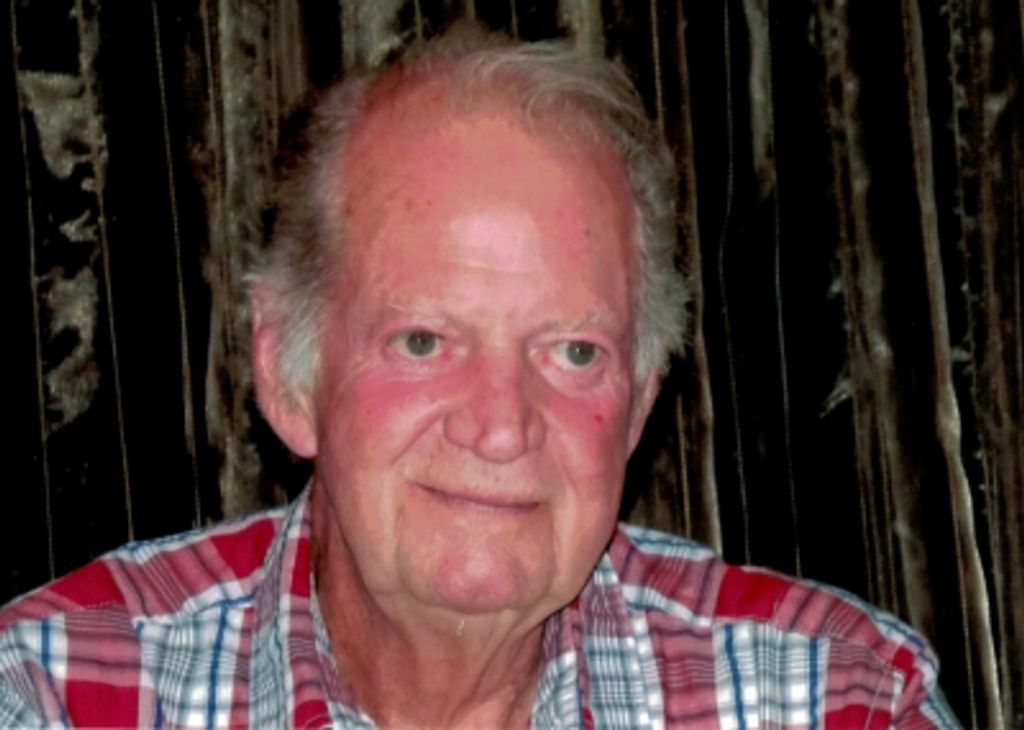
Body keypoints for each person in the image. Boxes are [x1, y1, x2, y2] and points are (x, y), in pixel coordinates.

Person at [0, 23, 959, 729]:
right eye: (423, 341)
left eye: (573, 351)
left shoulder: (841, 700)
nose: (501, 427)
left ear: (639, 402)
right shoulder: (55, 693)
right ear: (287, 375)